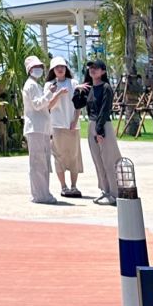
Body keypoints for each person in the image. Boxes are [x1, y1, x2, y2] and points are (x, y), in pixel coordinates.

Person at [77, 59, 120, 206]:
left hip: (103, 125)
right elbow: (77, 103)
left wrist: (100, 130)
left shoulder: (106, 87)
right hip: (91, 124)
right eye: (90, 68)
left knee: (108, 159)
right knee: (97, 160)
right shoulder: (89, 88)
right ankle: (105, 190)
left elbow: (105, 109)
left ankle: (114, 193)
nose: (92, 70)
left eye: (96, 68)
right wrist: (78, 90)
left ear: (103, 71)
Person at [22, 54, 58, 205]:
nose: (38, 70)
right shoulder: (30, 85)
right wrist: (49, 93)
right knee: (38, 162)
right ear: (29, 70)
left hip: (41, 128)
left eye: (40, 67)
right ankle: (39, 194)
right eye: (35, 67)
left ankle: (43, 192)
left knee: (43, 162)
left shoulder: (35, 85)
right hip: (35, 127)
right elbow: (37, 105)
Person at [45, 56, 83, 198]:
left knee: (74, 156)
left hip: (73, 125)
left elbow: (79, 104)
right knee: (59, 157)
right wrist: (57, 93)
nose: (60, 69)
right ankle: (63, 186)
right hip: (56, 125)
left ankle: (74, 186)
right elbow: (48, 105)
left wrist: (75, 120)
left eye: (62, 67)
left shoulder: (73, 83)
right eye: (57, 67)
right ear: (53, 70)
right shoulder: (49, 85)